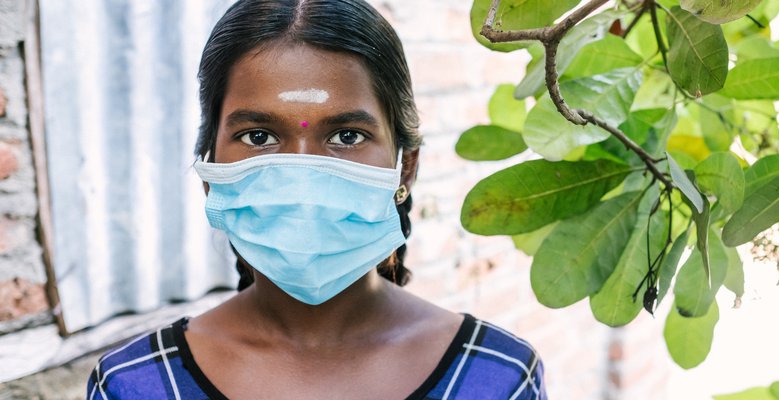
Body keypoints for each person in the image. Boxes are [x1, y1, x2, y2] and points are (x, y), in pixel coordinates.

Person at [85, 0, 546, 399]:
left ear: (405, 166)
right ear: (211, 170)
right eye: (258, 135)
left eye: (347, 135)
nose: (301, 174)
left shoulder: (499, 377)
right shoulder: (132, 384)